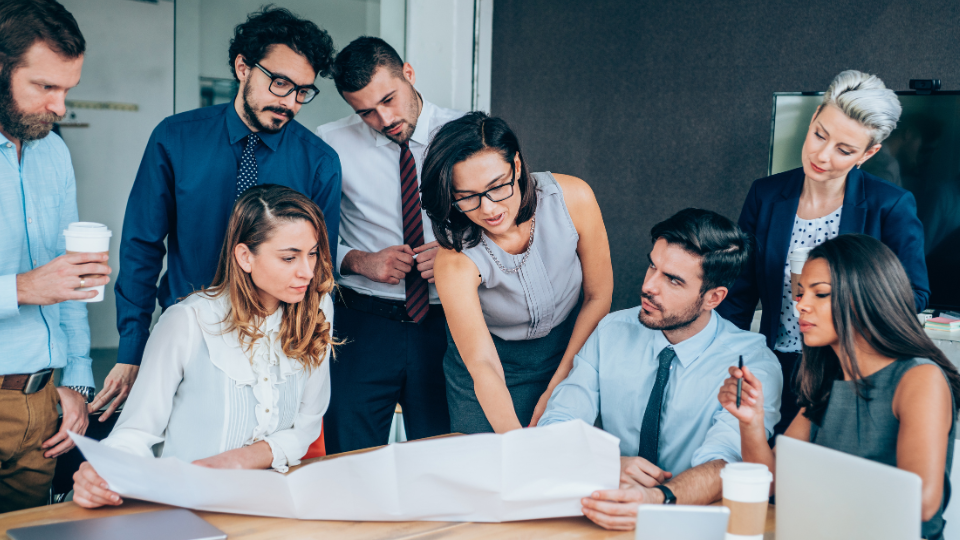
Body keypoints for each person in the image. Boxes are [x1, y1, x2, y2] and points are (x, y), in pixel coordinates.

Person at [108, 7, 341, 422]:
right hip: (187, 337)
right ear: (242, 67)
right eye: (280, 83)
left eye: (303, 91)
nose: (290, 102)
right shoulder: (175, 138)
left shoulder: (319, 161)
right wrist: (132, 348)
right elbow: (142, 246)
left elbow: (318, 270)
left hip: (277, 347)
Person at [72, 185, 335, 508]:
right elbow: (137, 432)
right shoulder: (186, 321)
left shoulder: (318, 310)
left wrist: (242, 459)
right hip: (182, 507)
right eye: (289, 257)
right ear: (244, 257)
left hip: (271, 504)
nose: (307, 272)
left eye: (313, 253)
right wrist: (100, 472)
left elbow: (307, 426)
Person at [538, 208, 783, 531]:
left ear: (713, 297)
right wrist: (603, 465)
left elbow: (727, 464)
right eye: (653, 265)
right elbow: (557, 427)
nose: (650, 286)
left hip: (697, 524)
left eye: (673, 280)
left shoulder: (750, 363)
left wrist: (656, 499)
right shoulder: (612, 330)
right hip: (606, 512)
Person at [717, 70, 930, 436]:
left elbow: (914, 294)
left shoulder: (890, 205)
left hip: (848, 371)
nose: (822, 155)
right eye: (820, 134)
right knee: (768, 473)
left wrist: (838, 296)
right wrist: (721, 359)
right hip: (774, 364)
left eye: (844, 150)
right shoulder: (765, 195)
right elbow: (739, 293)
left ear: (868, 153)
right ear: (814, 116)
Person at [720, 234, 959, 540]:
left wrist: (813, 489)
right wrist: (751, 423)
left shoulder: (919, 378)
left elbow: (921, 505)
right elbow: (772, 482)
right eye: (799, 293)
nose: (800, 307)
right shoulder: (830, 382)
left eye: (820, 294)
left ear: (866, 297)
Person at [420, 112, 613, 434]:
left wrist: (560, 385)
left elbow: (598, 296)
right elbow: (483, 363)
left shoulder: (573, 198)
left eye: (497, 187)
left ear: (518, 166)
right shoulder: (454, 259)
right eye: (467, 196)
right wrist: (516, 442)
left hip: (572, 349)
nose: (489, 208)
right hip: (490, 369)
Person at [317, 37, 462, 453]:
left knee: (440, 455)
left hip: (448, 321)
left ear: (409, 74)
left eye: (389, 99)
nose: (383, 118)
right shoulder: (329, 144)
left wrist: (459, 257)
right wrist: (357, 260)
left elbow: (503, 225)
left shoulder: (468, 132)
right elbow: (306, 234)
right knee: (348, 456)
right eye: (364, 111)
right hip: (361, 324)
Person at [0, 0, 110, 512]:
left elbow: (69, 279)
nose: (60, 107)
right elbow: (42, 283)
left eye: (67, 90)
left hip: (43, 405)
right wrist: (22, 288)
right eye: (45, 87)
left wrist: (77, 382)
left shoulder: (54, 151)